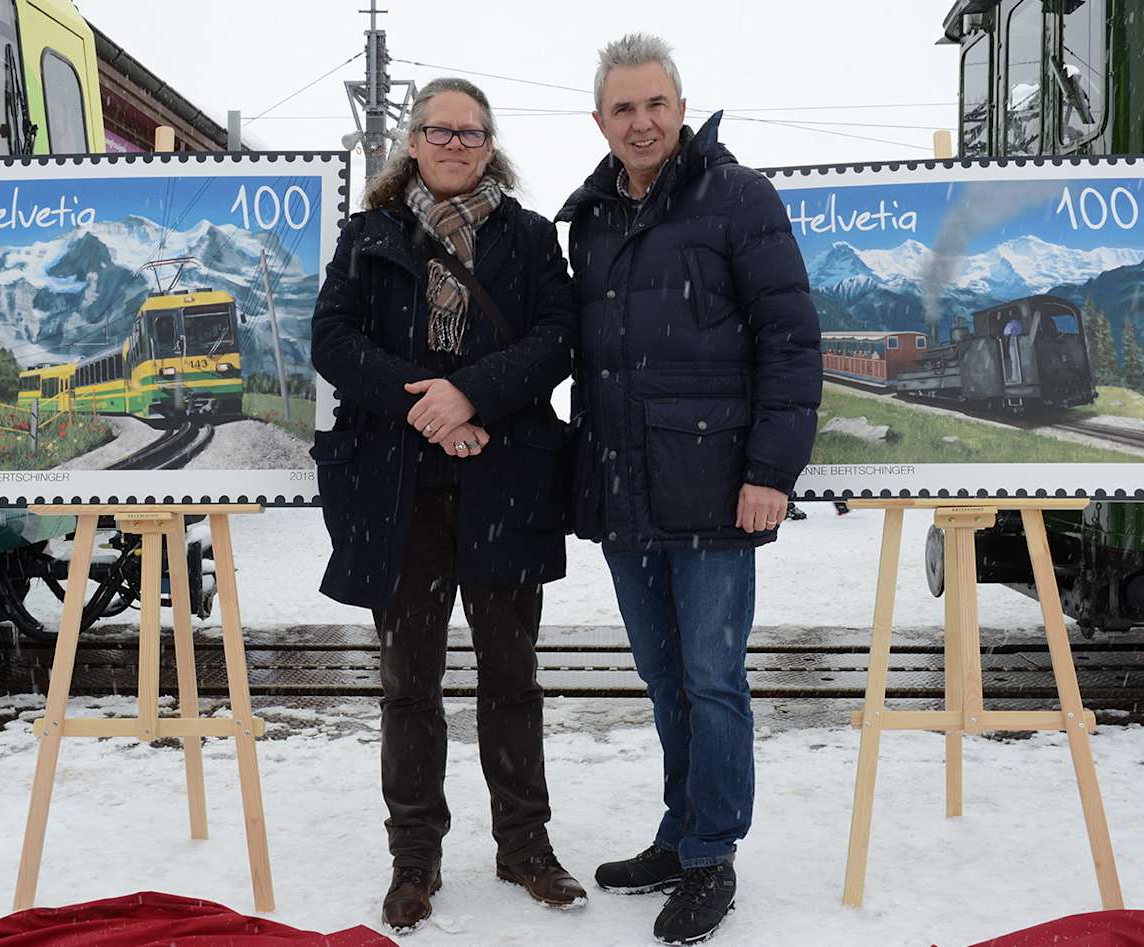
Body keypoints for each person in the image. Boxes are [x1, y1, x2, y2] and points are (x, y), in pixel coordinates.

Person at [557, 33, 822, 946]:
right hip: (627, 489)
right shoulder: (590, 217)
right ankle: (680, 832)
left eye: (655, 104)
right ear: (600, 121)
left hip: (716, 486)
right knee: (666, 678)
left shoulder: (738, 198)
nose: (642, 122)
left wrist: (769, 472)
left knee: (714, 680)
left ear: (681, 105)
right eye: (623, 109)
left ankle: (714, 854)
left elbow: (790, 341)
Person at [310, 77, 585, 934]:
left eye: (472, 132)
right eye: (440, 129)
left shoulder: (533, 238)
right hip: (399, 491)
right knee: (409, 685)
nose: (456, 144)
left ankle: (524, 845)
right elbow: (333, 340)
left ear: (491, 143)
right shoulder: (369, 236)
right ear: (413, 141)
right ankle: (414, 857)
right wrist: (421, 404)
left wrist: (467, 396)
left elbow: (557, 339)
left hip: (505, 481)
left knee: (513, 677)